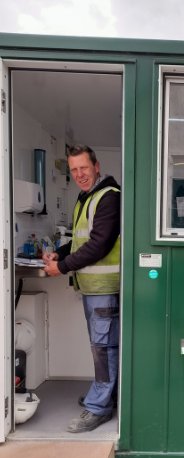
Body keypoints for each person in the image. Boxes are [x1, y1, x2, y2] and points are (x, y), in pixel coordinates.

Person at [42, 144, 122, 433]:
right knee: (102, 346)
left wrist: (62, 268)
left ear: (96, 166)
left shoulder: (108, 198)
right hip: (93, 288)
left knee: (104, 349)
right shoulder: (86, 197)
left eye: (83, 168)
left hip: (104, 288)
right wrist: (59, 254)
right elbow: (80, 241)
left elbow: (99, 244)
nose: (79, 174)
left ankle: (99, 407)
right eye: (74, 170)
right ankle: (104, 394)